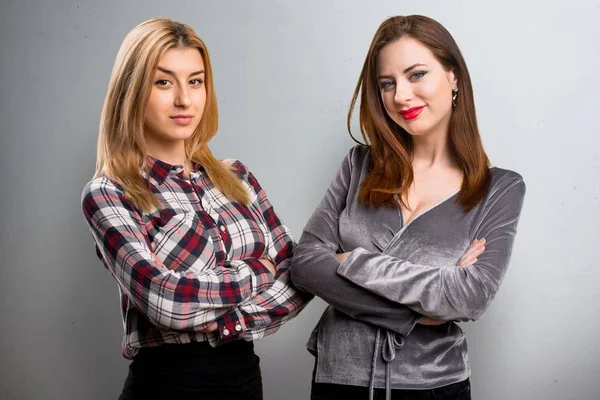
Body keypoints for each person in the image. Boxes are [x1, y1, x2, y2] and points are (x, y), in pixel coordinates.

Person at [291, 15, 526, 400]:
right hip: (338, 382)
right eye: (388, 83)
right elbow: (305, 265)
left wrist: (353, 260)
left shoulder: (500, 188)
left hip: (434, 386)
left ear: (453, 77)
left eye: (416, 75)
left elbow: (470, 296)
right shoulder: (358, 164)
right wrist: (416, 313)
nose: (401, 95)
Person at [81, 18, 309, 400]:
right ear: (133, 91)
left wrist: (227, 319)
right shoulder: (110, 192)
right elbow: (165, 301)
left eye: (196, 81)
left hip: (245, 381)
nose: (184, 99)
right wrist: (258, 269)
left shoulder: (238, 177)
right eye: (163, 82)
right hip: (167, 385)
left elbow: (298, 274)